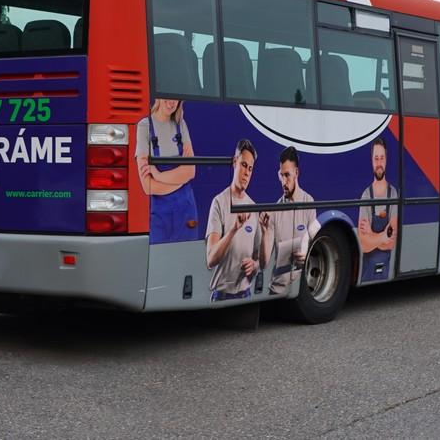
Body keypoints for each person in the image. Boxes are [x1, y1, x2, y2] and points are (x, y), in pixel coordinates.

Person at [205, 139, 272, 302]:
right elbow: (211, 259)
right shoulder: (219, 202)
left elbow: (261, 263)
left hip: (245, 293)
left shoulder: (253, 207)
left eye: (250, 168)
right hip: (220, 295)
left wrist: (254, 265)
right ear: (235, 162)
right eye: (244, 165)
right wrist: (234, 229)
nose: (247, 173)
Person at [135, 98, 198, 244]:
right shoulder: (144, 127)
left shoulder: (180, 124)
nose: (172, 103)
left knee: (186, 255)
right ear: (158, 97)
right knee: (160, 256)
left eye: (175, 100)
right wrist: (180, 179)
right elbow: (148, 186)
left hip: (186, 210)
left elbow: (191, 171)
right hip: (160, 216)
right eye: (167, 98)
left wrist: (158, 175)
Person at [268, 147, 321, 296]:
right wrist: (265, 230)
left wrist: (306, 251)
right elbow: (265, 259)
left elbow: (314, 238)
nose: (284, 182)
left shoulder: (308, 202)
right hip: (277, 288)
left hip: (300, 279)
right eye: (281, 175)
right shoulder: (275, 209)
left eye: (287, 175)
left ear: (296, 173)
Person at [357, 137, 398, 282]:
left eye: (382, 158)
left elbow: (391, 241)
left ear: (386, 159)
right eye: (376, 158)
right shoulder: (366, 195)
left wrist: (371, 235)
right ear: (371, 161)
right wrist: (382, 236)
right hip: (366, 275)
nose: (379, 163)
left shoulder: (393, 194)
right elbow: (363, 244)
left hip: (385, 273)